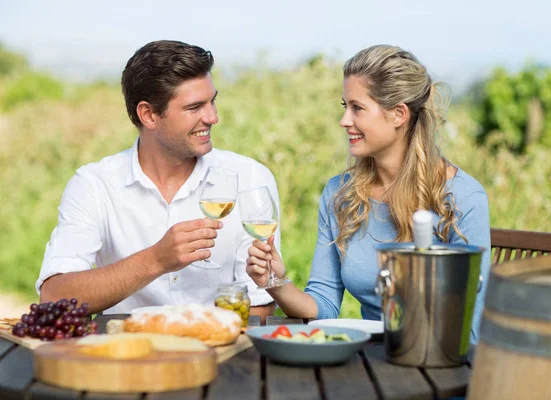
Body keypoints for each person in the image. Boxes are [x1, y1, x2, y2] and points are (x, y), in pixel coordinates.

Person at [246, 45, 491, 343]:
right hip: (368, 362)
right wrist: (275, 281)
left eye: (357, 108)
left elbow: (471, 332)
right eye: (344, 106)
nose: (344, 120)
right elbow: (322, 306)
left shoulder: (463, 198)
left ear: (398, 114)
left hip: (435, 363)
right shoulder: (341, 194)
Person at [36, 40, 279, 319]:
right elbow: (53, 299)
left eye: (213, 101)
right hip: (128, 352)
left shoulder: (249, 178)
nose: (213, 117)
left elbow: (260, 304)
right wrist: (156, 260)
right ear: (148, 115)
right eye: (195, 107)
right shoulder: (94, 184)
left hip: (219, 352)